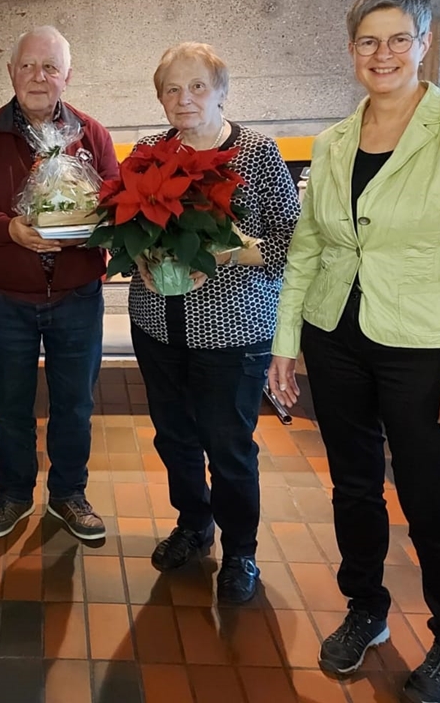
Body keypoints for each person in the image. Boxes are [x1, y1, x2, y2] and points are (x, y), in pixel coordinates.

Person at [269, 0, 440, 702]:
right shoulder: (335, 140)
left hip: (425, 348)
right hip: (336, 335)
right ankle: (365, 608)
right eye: (369, 41)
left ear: (424, 43)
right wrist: (287, 341)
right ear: (351, 52)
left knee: (431, 495)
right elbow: (310, 249)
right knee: (352, 485)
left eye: (398, 38)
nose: (384, 54)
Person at [128, 42, 300, 604]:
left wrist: (228, 255)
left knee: (228, 445)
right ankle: (193, 524)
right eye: (172, 89)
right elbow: (131, 229)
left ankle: (241, 550)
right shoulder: (150, 152)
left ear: (221, 91)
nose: (184, 99)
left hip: (231, 328)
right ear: (159, 97)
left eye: (197, 86)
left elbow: (292, 242)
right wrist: (142, 260)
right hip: (158, 322)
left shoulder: (255, 153)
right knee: (174, 436)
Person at [0, 26, 118, 542]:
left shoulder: (91, 135)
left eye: (50, 67)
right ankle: (12, 494)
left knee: (75, 404)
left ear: (67, 76)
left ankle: (69, 494)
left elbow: (115, 209)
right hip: (8, 299)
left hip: (77, 296)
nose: (38, 76)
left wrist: (83, 224)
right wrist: (10, 229)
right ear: (10, 72)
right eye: (28, 65)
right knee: (11, 404)